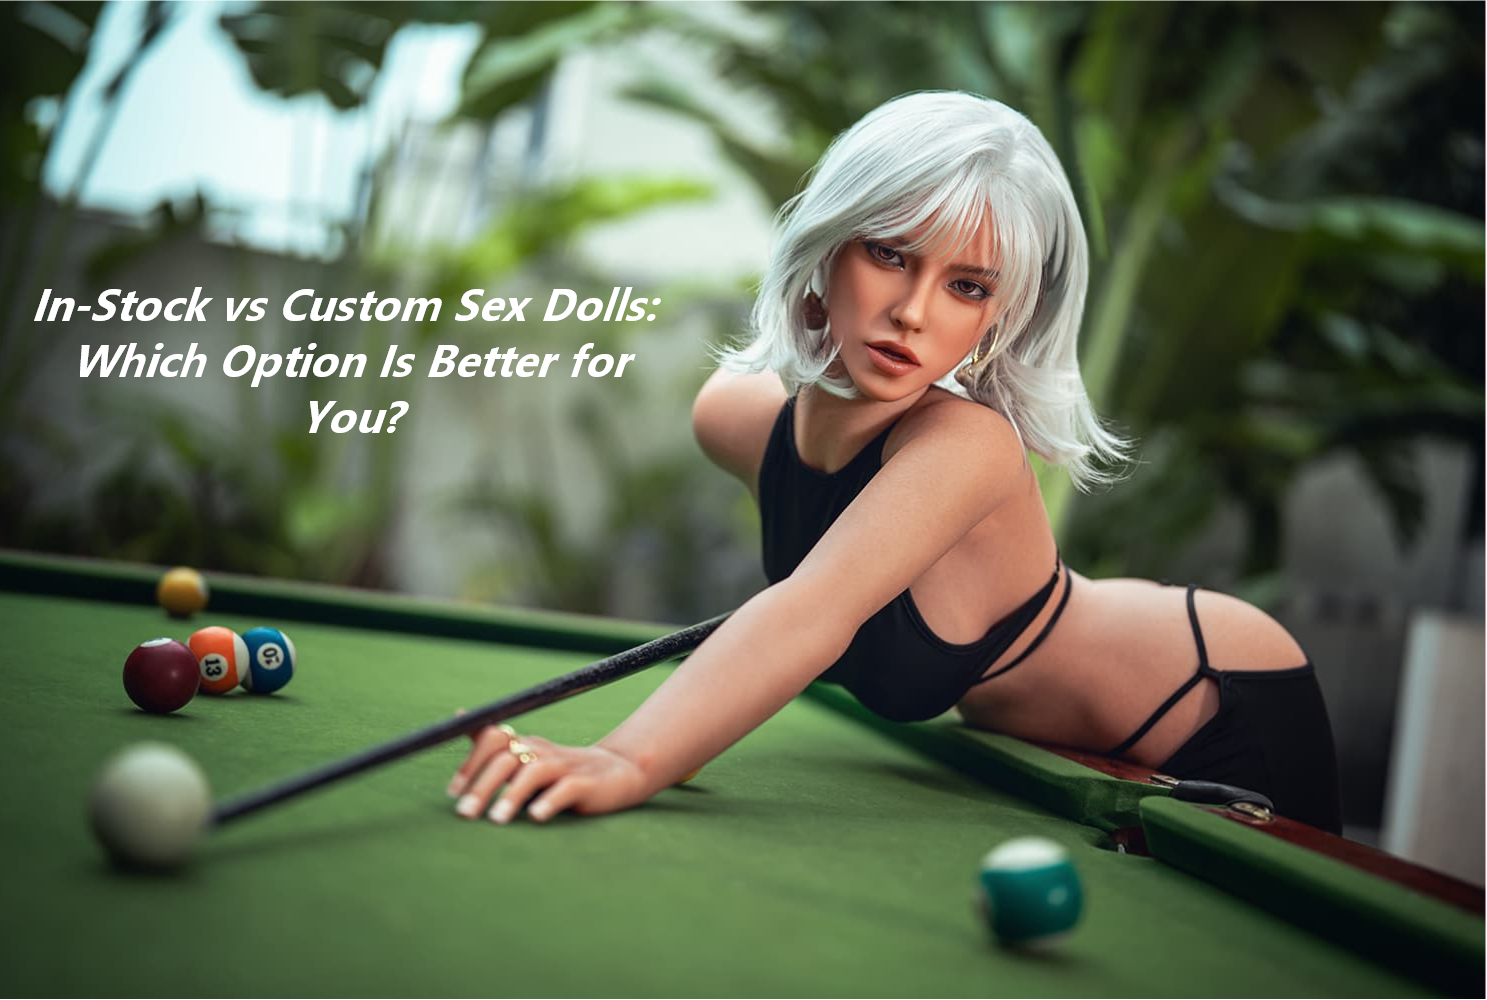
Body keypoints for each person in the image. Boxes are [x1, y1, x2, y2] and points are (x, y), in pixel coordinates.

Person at [447, 90, 1344, 834]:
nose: (915, 312)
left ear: (1000, 315)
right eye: (889, 253)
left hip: (1213, 700)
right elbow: (800, 595)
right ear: (827, 245)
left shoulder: (967, 447)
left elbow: (809, 610)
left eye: (967, 286)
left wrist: (626, 757)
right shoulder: (734, 415)